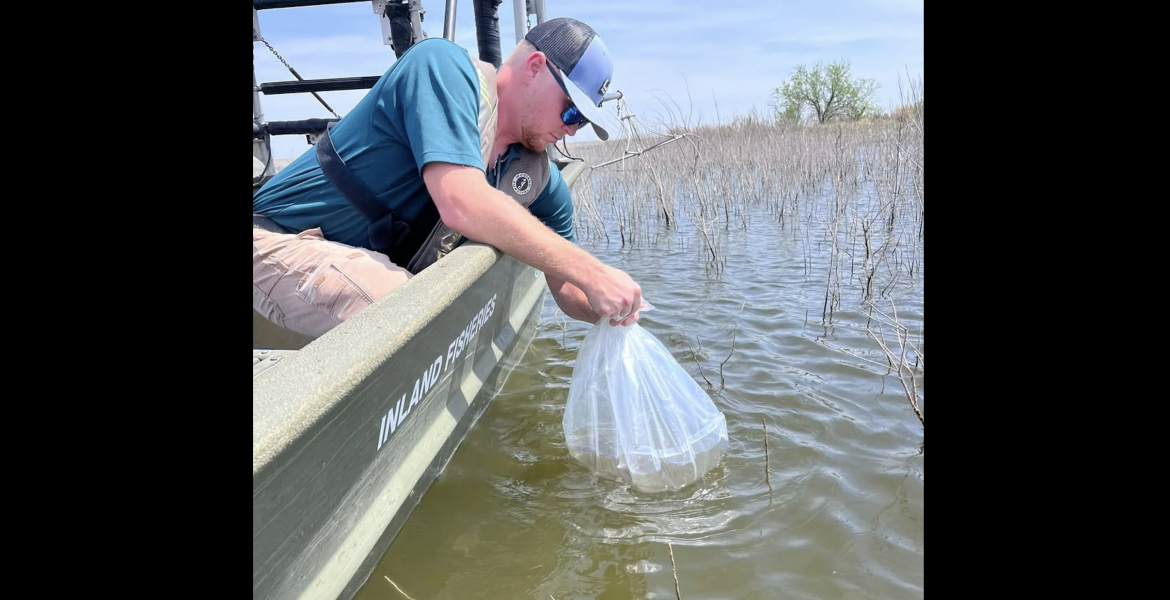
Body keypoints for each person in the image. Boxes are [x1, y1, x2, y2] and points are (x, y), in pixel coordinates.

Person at [253, 17, 642, 338]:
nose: (573, 130)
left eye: (584, 123)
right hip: (272, 240)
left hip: (356, 262)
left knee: (411, 304)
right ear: (536, 67)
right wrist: (592, 271)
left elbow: (568, 287)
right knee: (402, 307)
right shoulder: (441, 66)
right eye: (572, 112)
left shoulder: (537, 180)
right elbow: (461, 201)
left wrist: (610, 308)